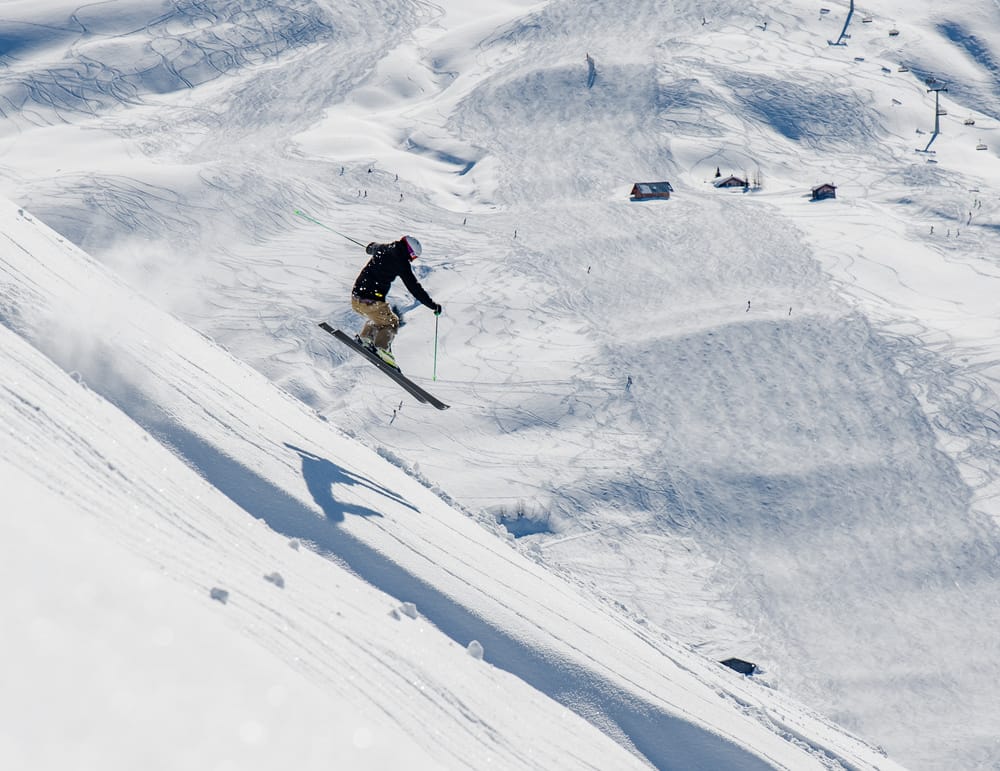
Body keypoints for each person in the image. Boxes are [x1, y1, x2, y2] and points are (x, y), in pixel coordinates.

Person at [352, 235, 441, 369]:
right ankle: (382, 350)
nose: (412, 260)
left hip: (356, 298)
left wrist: (371, 248)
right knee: (391, 322)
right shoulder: (402, 263)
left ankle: (366, 339)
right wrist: (432, 305)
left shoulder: (385, 248)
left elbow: (372, 247)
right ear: (410, 252)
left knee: (379, 319)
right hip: (371, 300)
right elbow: (415, 288)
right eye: (414, 257)